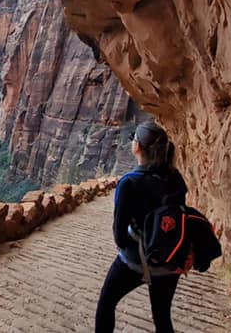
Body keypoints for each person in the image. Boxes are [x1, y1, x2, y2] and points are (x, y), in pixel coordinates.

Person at [95, 120, 188, 333]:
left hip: (136, 260)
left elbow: (119, 236)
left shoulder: (129, 183)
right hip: (170, 261)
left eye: (134, 139)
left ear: (137, 147)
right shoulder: (175, 178)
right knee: (162, 316)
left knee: (106, 303)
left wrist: (140, 249)